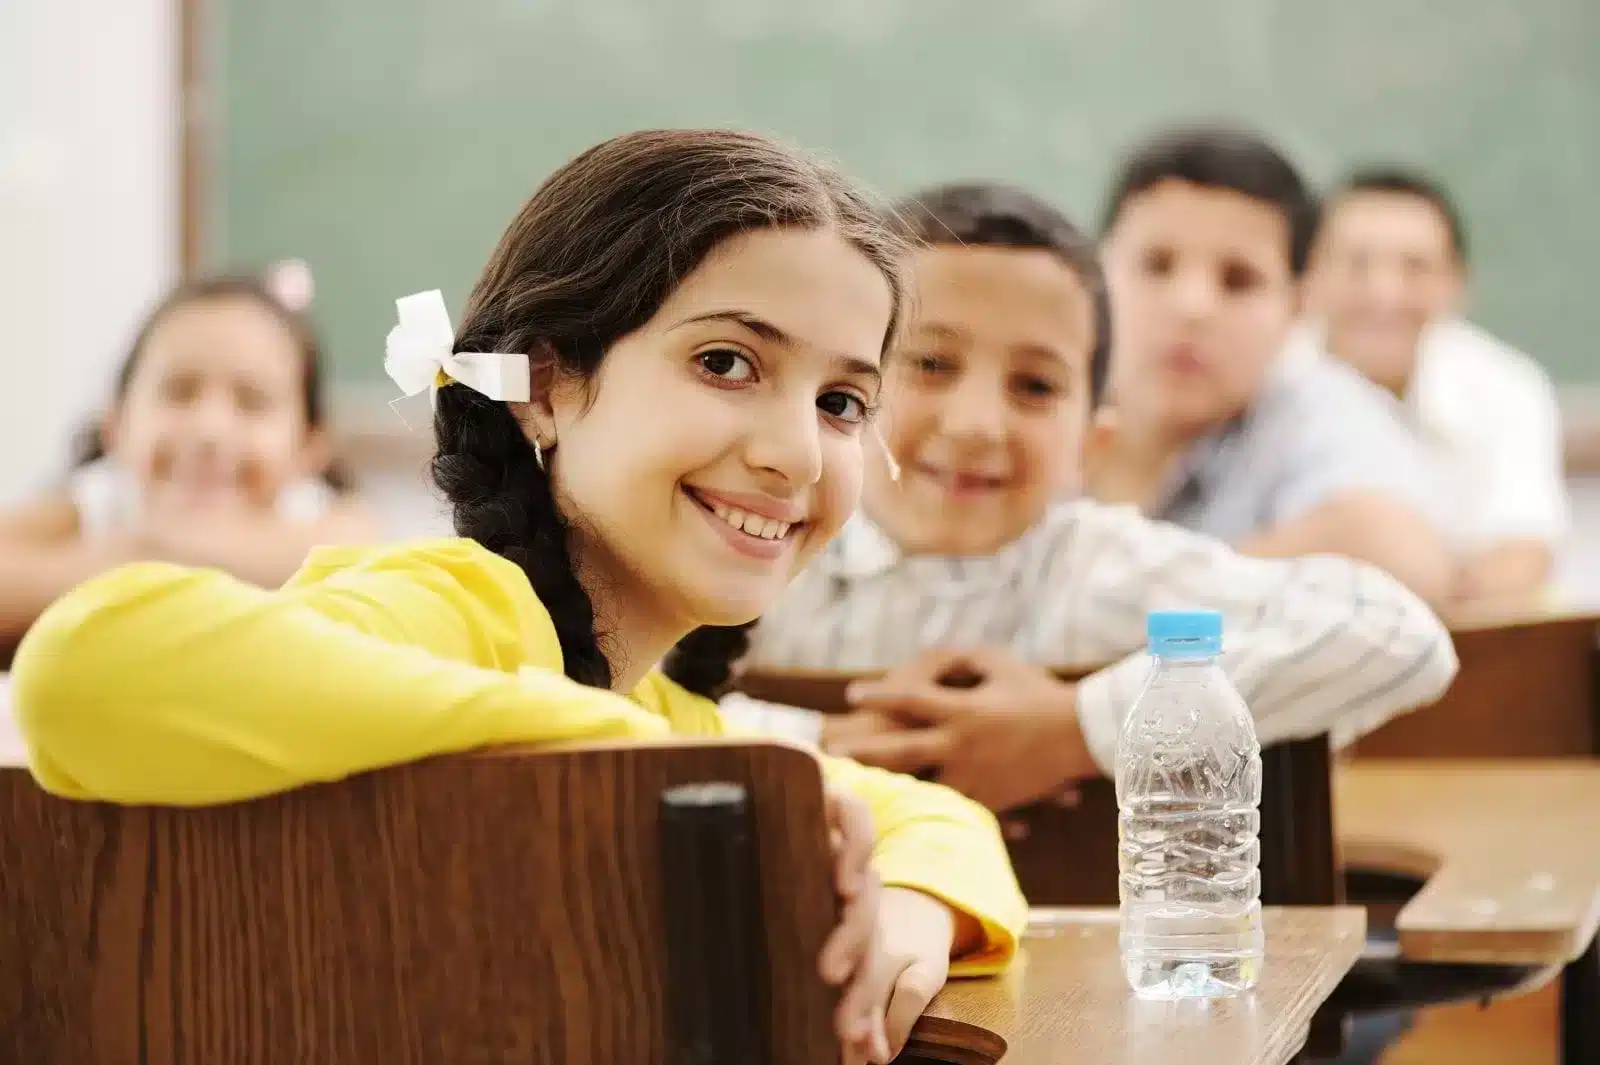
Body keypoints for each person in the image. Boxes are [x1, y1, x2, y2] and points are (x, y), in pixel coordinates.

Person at [10, 130, 1026, 1065]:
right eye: (726, 363)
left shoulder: (665, 710)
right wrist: (643, 770)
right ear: (543, 385)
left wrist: (913, 908)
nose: (796, 451)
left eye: (840, 402)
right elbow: (82, 667)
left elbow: (941, 823)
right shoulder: (461, 609)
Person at [728, 182, 1458, 815]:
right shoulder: (765, 550)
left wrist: (1075, 729)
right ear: (848, 394)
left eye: (1036, 386)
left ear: (1091, 446)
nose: (978, 423)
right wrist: (813, 750)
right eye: (930, 362)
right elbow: (618, 700)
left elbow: (1400, 632)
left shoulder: (1096, 569)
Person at [1087, 126, 1456, 604]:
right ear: (1095, 273)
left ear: (1298, 306)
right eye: (1156, 265)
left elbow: (1402, 558)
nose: (1191, 305)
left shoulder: (1316, 408)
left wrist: (1118, 609)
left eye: (1239, 280)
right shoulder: (1039, 397)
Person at [0, 275, 378, 643]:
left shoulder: (317, 519)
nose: (209, 429)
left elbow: (360, 550)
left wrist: (145, 554)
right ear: (115, 423)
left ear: (310, 446)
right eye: (179, 391)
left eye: (252, 400)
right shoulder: (97, 499)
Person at [1300, 167, 1569, 604]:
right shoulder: (1257, 380)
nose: (1384, 293)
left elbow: (1521, 555)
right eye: (1357, 264)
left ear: (1456, 284)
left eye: (1415, 267)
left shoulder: (1505, 387)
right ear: (1306, 277)